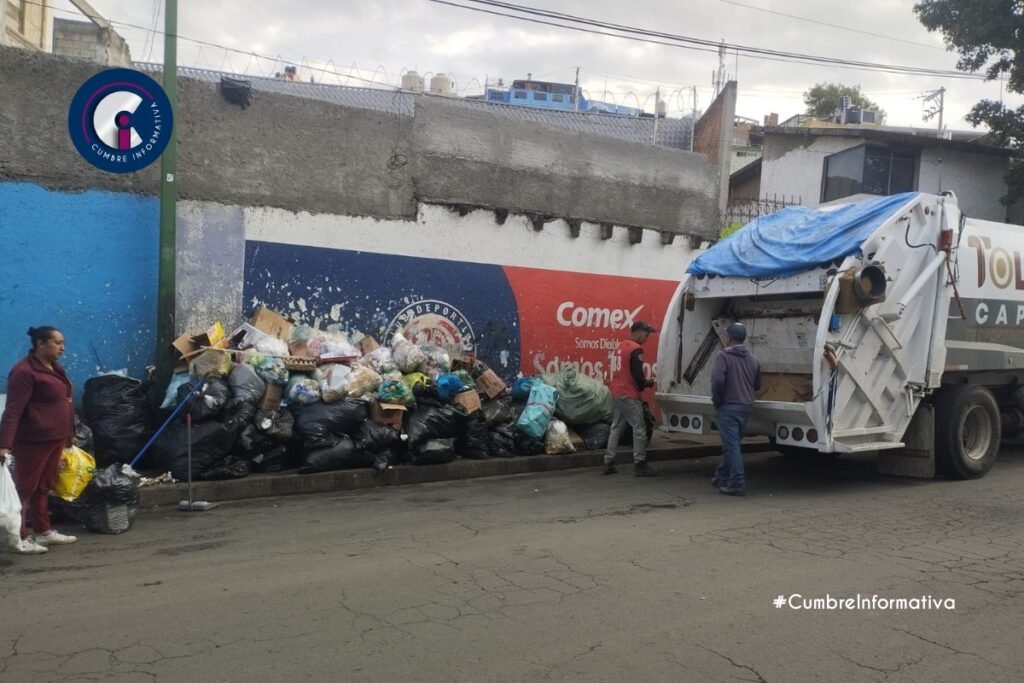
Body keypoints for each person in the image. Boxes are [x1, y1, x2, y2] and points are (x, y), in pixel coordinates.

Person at [0, 327, 79, 554]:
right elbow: (13, 410)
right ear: (40, 344)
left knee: (44, 487)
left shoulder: (55, 368)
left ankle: (43, 532)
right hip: (33, 440)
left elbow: (65, 400)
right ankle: (20, 537)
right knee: (25, 488)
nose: (62, 348)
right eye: (57, 343)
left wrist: (70, 432)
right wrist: (4, 444)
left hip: (55, 438)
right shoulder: (24, 372)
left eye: (63, 343)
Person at [711, 322, 762, 496]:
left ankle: (737, 482)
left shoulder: (723, 356)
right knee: (731, 444)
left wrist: (717, 402)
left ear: (730, 338)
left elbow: (717, 381)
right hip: (746, 407)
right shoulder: (753, 359)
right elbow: (757, 385)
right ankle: (720, 476)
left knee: (732, 446)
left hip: (729, 407)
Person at [603, 321, 658, 477]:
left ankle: (608, 461)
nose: (647, 338)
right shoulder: (636, 349)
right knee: (639, 428)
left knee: (616, 426)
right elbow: (637, 374)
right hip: (629, 393)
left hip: (617, 392)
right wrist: (646, 383)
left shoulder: (621, 346)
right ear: (638, 332)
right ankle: (640, 464)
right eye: (646, 334)